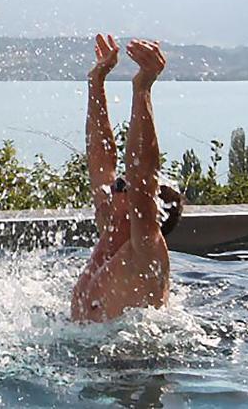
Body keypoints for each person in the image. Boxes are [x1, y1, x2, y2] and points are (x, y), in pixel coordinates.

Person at [70, 34, 184, 322]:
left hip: (129, 365)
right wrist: (96, 80)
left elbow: (143, 172)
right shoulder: (112, 226)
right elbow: (100, 157)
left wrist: (142, 88)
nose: (117, 184)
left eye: (123, 185)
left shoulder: (144, 250)